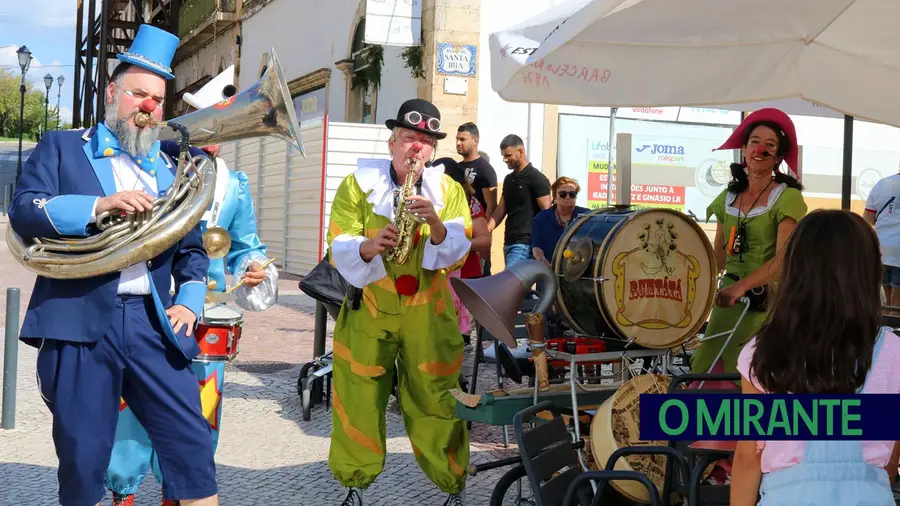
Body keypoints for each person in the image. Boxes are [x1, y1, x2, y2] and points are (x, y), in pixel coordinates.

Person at [7, 25, 219, 506]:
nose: (148, 107)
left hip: (151, 324)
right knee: (82, 465)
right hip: (80, 322)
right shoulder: (62, 146)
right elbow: (24, 210)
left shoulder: (173, 167)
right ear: (112, 93)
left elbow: (191, 250)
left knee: (193, 452)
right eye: (139, 94)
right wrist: (98, 206)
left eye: (158, 100)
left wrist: (188, 299)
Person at [104, 65, 279, 506]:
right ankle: (120, 494)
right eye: (211, 123)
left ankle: (178, 496)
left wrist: (254, 266)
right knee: (128, 423)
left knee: (196, 427)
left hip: (208, 320)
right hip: (146, 311)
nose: (218, 134)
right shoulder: (150, 164)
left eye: (226, 126)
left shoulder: (235, 185)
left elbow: (245, 246)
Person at [327, 99, 473, 506]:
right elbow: (338, 239)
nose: (417, 148)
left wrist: (437, 224)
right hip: (370, 308)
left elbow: (459, 252)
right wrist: (369, 246)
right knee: (358, 396)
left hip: (429, 312)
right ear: (393, 141)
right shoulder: (357, 184)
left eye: (426, 142)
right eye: (410, 138)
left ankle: (451, 485)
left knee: (437, 397)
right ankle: (354, 485)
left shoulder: (449, 191)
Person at [731, 210, 900, 506]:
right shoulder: (894, 353)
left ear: (794, 271)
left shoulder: (763, 351)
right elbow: (888, 463)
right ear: (870, 271)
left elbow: (749, 456)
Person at [690, 108, 807, 379]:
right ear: (744, 148)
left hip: (765, 301)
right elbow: (719, 257)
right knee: (704, 368)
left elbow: (780, 263)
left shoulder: (787, 197)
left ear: (778, 156)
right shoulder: (728, 197)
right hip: (727, 299)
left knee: (752, 371)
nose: (761, 149)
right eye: (755, 141)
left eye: (770, 145)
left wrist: (740, 288)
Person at [437, 157, 492, 344]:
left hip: (464, 276)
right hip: (434, 276)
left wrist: (457, 245)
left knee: (457, 339)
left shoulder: (470, 202)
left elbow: (485, 240)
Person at [486, 134, 551, 268]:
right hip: (509, 242)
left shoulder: (536, 178)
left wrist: (541, 244)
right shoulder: (509, 179)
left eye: (508, 155)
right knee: (517, 287)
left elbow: (547, 212)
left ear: (520, 152)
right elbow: (501, 209)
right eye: (503, 155)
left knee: (511, 284)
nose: (505, 159)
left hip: (526, 243)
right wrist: (487, 228)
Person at [452, 123, 498, 276]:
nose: (458, 143)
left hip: (476, 237)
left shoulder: (484, 169)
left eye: (463, 139)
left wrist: (485, 239)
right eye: (457, 139)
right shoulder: (456, 168)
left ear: (475, 141)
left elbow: (491, 206)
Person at [863, 167, 900, 314]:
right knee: (897, 308)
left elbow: (868, 219)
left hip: (882, 250)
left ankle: (883, 333)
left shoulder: (881, 184)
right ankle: (894, 335)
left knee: (885, 306)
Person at [530, 176, 590, 266]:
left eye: (572, 194)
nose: (567, 197)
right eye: (563, 194)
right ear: (554, 197)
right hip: (550, 269)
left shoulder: (586, 216)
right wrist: (543, 261)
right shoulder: (542, 218)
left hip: (579, 270)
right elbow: (536, 247)